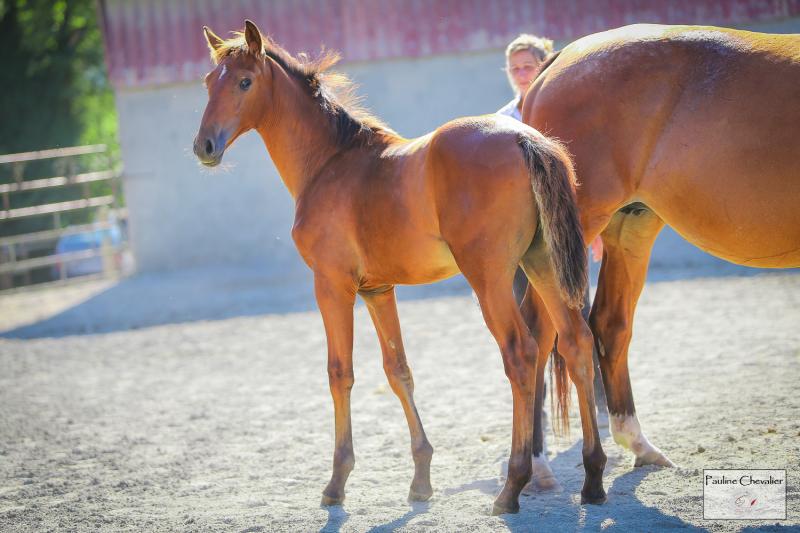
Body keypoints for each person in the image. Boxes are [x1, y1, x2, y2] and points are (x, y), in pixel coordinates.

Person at [497, 34, 554, 122]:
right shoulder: (503, 118)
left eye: (528, 67)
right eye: (515, 68)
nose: (521, 75)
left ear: (544, 66)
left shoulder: (558, 109)